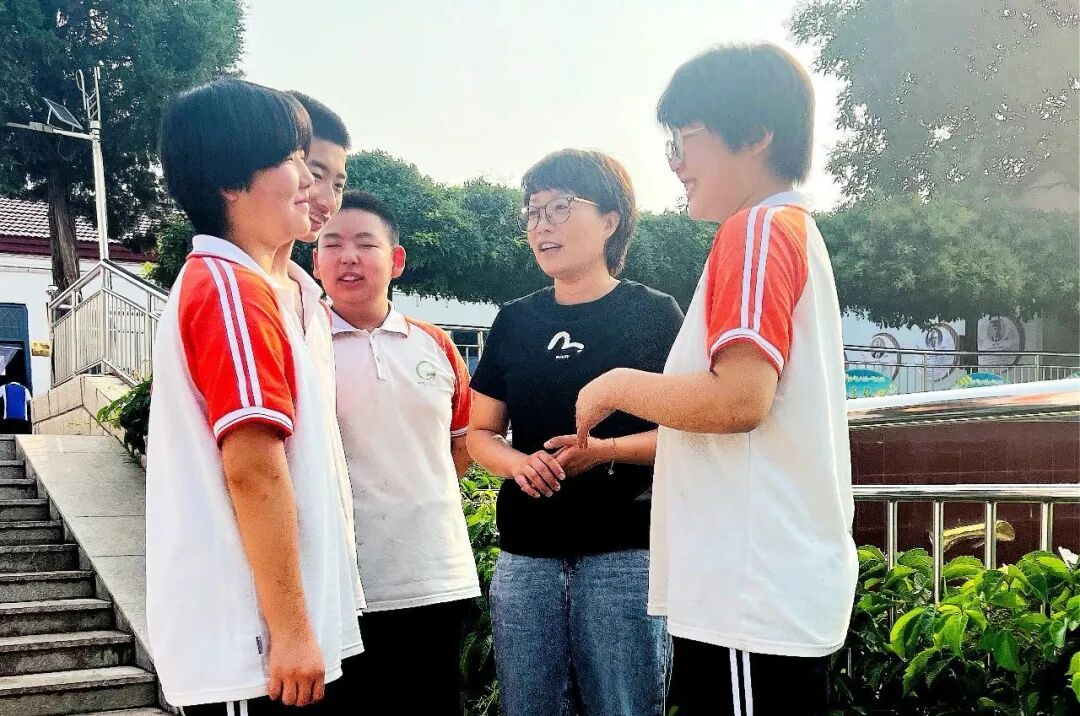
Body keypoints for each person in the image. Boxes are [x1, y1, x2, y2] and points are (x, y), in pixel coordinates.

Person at [573, 44, 857, 715]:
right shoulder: (787, 230)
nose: (675, 161)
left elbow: (739, 398)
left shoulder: (755, 230)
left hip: (748, 592)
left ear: (755, 134)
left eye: (686, 138)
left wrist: (615, 385)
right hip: (761, 589)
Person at [146, 78, 363, 713]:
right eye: (293, 159)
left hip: (263, 644)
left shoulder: (252, 286)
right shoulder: (231, 290)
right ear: (231, 182)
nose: (308, 181)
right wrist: (291, 633)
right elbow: (254, 468)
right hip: (254, 649)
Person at [467, 149, 683, 716]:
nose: (542, 225)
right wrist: (518, 464)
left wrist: (603, 451)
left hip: (624, 555)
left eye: (561, 207)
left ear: (610, 220)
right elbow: (480, 433)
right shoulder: (515, 320)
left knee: (625, 706)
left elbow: (686, 435)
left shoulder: (654, 315)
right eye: (533, 212)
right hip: (526, 558)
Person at [314, 190, 480, 714]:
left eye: (366, 244)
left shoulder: (436, 345)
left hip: (438, 576)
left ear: (396, 260)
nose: (348, 257)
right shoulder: (300, 345)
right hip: (343, 586)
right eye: (332, 244)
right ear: (315, 261)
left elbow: (463, 443)